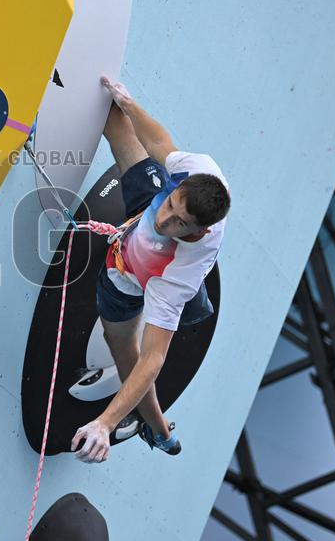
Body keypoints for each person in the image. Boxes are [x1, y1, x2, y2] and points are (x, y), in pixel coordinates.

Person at [71, 76, 231, 463]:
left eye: (179, 222)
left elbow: (153, 360)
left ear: (200, 230)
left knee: (123, 347)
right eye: (173, 204)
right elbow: (159, 142)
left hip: (136, 275)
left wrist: (104, 424)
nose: (166, 220)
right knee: (114, 121)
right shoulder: (198, 174)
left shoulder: (176, 276)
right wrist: (128, 102)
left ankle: (157, 430)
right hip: (143, 207)